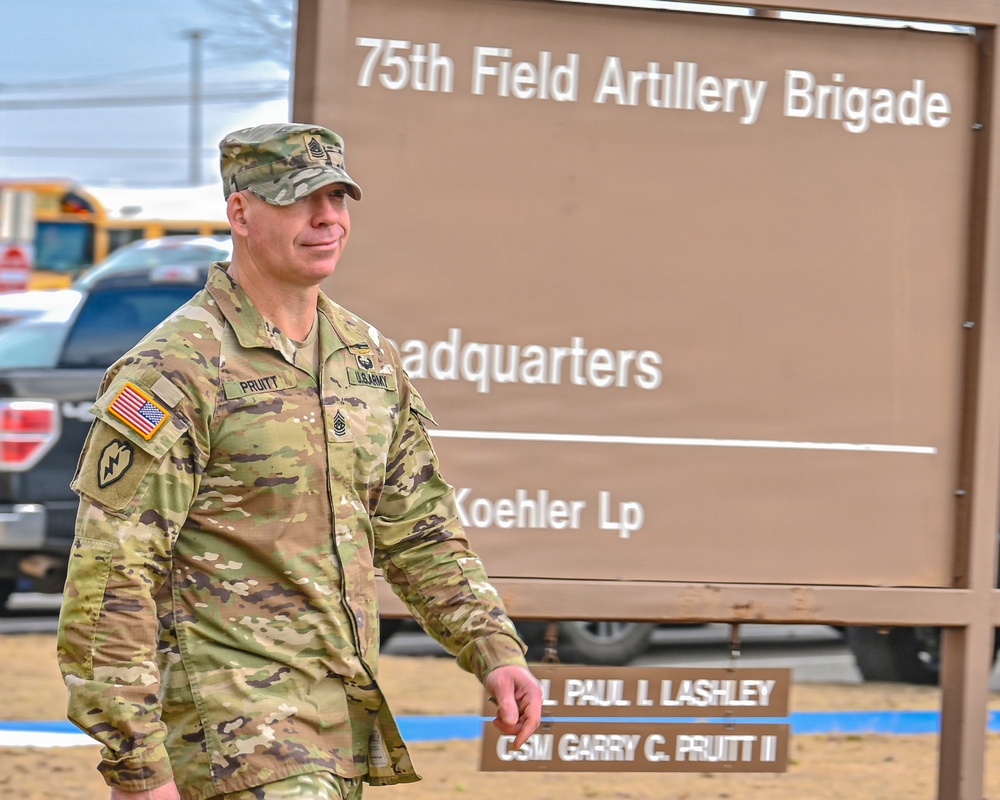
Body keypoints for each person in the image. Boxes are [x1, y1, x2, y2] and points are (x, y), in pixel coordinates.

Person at [57, 122, 542, 800]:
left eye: (339, 199)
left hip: (339, 722)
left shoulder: (366, 359)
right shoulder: (173, 372)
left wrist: (490, 646)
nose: (327, 219)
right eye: (299, 199)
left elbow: (417, 527)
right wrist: (137, 768)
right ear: (240, 212)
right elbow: (111, 576)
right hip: (229, 733)